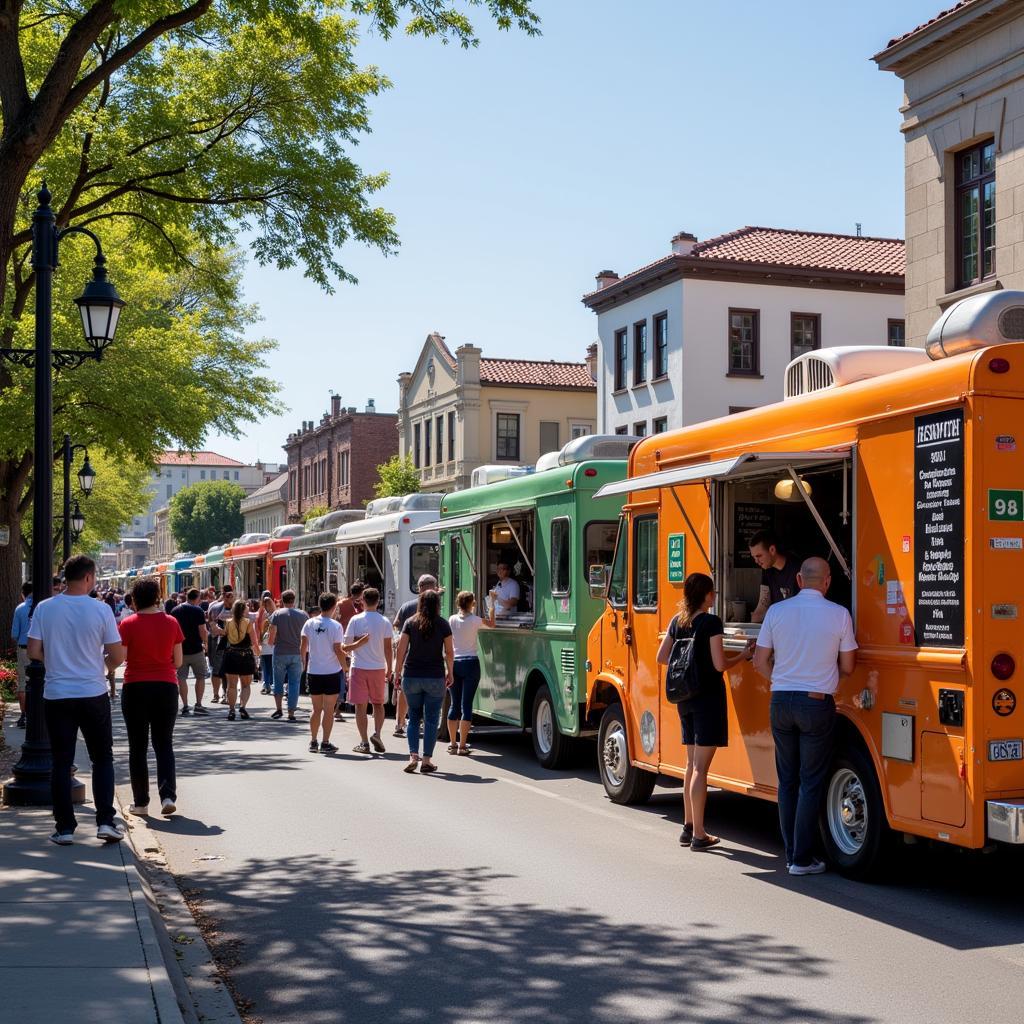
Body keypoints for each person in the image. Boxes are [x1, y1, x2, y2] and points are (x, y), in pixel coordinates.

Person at [753, 556, 858, 876]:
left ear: (799, 579)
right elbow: (849, 666)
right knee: (810, 782)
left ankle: (791, 854)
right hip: (816, 704)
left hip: (780, 701)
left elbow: (759, 661)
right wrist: (827, 680)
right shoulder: (839, 615)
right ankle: (801, 858)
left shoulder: (776, 611)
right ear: (827, 582)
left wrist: (780, 680)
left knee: (787, 780)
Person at [27, 555, 125, 845]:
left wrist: (55, 661)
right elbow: (117, 655)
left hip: (57, 693)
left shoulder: (45, 608)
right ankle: (105, 821)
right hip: (92, 692)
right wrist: (104, 667)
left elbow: (33, 650)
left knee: (61, 762)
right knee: (102, 758)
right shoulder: (101, 609)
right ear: (88, 578)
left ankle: (65, 827)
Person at [656, 573, 754, 851]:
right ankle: (700, 834)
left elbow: (661, 657)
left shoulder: (678, 621)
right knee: (701, 767)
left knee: (690, 764)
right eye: (713, 593)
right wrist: (744, 655)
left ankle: (688, 826)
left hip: (685, 699)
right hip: (708, 700)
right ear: (707, 596)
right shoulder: (711, 622)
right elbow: (720, 664)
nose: (715, 597)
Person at [118, 577, 184, 817]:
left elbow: (123, 656)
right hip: (166, 686)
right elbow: (177, 661)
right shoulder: (171, 622)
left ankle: (141, 803)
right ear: (157, 596)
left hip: (135, 686)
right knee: (164, 743)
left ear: (134, 598)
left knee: (138, 747)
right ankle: (167, 795)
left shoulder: (127, 624)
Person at [394, 589, 454, 775]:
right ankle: (426, 760)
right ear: (437, 604)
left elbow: (401, 650)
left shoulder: (410, 623)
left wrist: (397, 673)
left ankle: (413, 755)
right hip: (435, 677)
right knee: (431, 720)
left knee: (413, 717)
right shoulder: (443, 624)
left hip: (411, 676)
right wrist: (450, 672)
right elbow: (449, 652)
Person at [300, 592, 366, 753]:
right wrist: (344, 668)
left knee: (316, 709)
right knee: (329, 709)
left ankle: (313, 741)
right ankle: (325, 742)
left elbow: (302, 646)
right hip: (331, 671)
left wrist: (304, 664)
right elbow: (338, 649)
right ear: (334, 606)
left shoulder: (309, 623)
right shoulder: (335, 626)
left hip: (313, 671)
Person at [344, 587, 393, 755]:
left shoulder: (355, 620)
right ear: (378, 601)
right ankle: (377, 734)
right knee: (378, 704)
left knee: (360, 707)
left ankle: (364, 742)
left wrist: (358, 644)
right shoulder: (385, 621)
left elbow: (345, 646)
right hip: (378, 668)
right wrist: (390, 668)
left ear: (362, 601)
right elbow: (388, 648)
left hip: (358, 667)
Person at [446, 590, 494, 755]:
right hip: (471, 663)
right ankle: (462, 745)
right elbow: (492, 623)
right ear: (471, 604)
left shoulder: (451, 619)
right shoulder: (475, 620)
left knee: (454, 704)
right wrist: (492, 603)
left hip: (455, 663)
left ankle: (452, 744)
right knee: (466, 705)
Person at [392, 574, 438, 738]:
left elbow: (396, 625)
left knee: (404, 691)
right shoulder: (437, 606)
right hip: (430, 657)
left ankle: (399, 724)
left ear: (420, 587)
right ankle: (422, 724)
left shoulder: (406, 606)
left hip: (408, 657)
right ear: (433, 586)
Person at [268, 590, 308, 722]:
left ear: (282, 600)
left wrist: (271, 642)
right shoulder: (303, 615)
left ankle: (279, 709)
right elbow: (306, 636)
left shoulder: (277, 614)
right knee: (294, 683)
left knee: (278, 681)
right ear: (294, 600)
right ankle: (291, 712)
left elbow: (272, 634)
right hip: (296, 653)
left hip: (280, 652)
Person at [171, 589, 209, 716]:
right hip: (196, 649)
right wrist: (206, 643)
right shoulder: (198, 610)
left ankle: (185, 705)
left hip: (180, 649)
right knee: (200, 676)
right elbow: (202, 630)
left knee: (181, 678)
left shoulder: (175, 611)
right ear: (197, 598)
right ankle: (198, 704)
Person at [749, 530, 800, 623]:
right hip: (778, 625)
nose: (756, 561)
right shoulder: (767, 571)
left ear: (772, 549)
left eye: (759, 556)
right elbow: (762, 605)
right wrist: (753, 624)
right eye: (754, 557)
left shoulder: (797, 568)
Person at [222, 599, 259, 721]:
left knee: (231, 685)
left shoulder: (228, 622)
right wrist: (258, 654)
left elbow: (225, 636)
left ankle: (231, 710)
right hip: (245, 655)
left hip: (231, 655)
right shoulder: (248, 623)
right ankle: (242, 707)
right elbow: (254, 642)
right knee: (246, 685)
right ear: (244, 610)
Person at [10, 581, 33, 728]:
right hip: (42, 650)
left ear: (22, 593)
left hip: (24, 648)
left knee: (24, 683)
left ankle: (24, 715)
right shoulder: (43, 607)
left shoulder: (20, 609)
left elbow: (14, 634)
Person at [206, 585, 234, 704]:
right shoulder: (215, 607)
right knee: (216, 669)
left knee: (228, 670)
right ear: (222, 596)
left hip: (232, 642)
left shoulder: (237, 608)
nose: (228, 599)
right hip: (217, 641)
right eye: (226, 596)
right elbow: (210, 622)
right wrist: (218, 630)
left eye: (230, 596)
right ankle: (216, 694)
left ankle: (225, 695)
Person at [257, 592, 276, 696]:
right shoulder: (265, 613)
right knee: (267, 665)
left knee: (268, 666)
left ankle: (268, 685)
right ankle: (268, 685)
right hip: (267, 644)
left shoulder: (262, 613)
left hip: (270, 644)